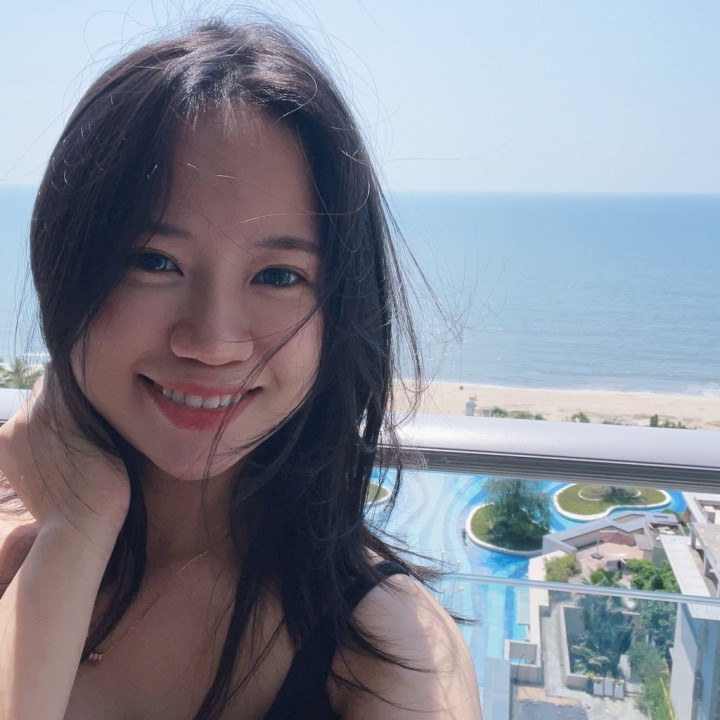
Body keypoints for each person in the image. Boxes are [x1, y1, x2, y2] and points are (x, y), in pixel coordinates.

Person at [0, 19, 481, 720]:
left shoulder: (393, 653)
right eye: (155, 262)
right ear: (66, 268)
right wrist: (75, 533)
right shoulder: (19, 541)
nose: (214, 342)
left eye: (279, 275)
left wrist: (76, 525)